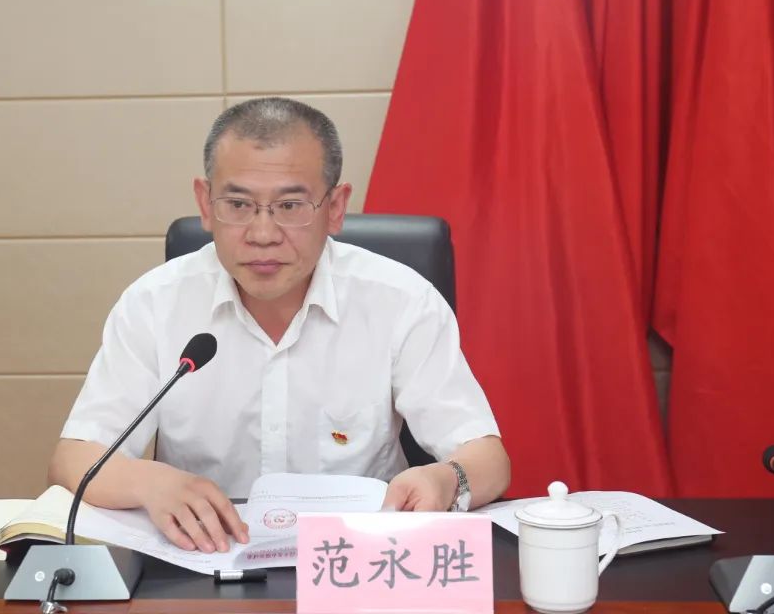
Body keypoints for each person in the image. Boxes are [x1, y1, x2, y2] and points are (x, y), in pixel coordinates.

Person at [49, 97, 509, 554]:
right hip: (203, 558)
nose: (263, 234)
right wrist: (148, 482)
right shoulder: (154, 304)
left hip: (359, 561)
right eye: (238, 204)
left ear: (335, 208)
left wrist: (447, 478)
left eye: (290, 205)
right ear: (205, 204)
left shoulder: (401, 300)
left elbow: (488, 460)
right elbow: (73, 459)